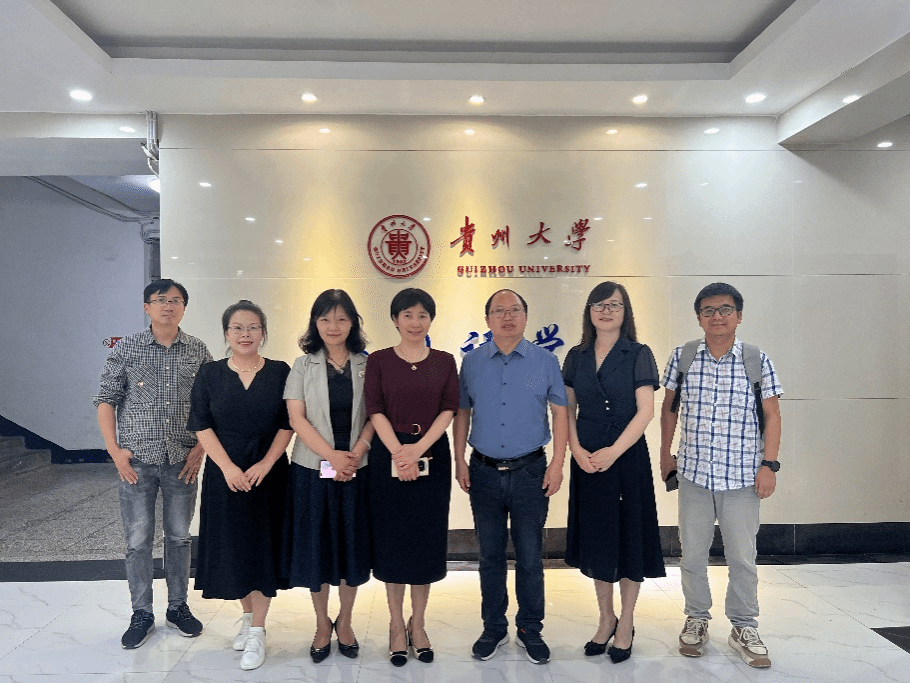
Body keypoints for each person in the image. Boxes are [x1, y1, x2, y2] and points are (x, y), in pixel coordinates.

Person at [659, 282, 782, 669]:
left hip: (743, 477)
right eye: (708, 310)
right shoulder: (683, 356)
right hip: (694, 475)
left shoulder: (756, 359)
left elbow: (772, 415)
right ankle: (696, 618)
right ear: (699, 317)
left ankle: (743, 626)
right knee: (692, 555)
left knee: (742, 558)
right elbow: (669, 410)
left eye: (725, 309)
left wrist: (769, 465)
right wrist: (665, 454)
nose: (717, 316)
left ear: (739, 316)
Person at [93, 279, 212, 650]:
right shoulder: (127, 348)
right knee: (138, 540)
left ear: (184, 308)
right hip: (137, 462)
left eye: (175, 300)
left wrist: (201, 449)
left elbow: (211, 405)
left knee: (179, 537)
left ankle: (178, 607)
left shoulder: (197, 350)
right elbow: (105, 400)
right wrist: (114, 451)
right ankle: (141, 613)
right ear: (147, 307)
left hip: (182, 459)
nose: (168, 306)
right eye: (161, 300)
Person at [453, 288, 568, 665]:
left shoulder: (545, 360)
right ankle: (494, 627)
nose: (507, 317)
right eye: (499, 311)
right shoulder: (472, 362)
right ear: (487, 319)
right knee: (489, 556)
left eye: (515, 310)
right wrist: (459, 459)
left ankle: (530, 628)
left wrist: (557, 463)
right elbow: (462, 412)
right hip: (483, 471)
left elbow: (560, 413)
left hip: (530, 472)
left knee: (531, 556)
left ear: (526, 317)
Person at [562, 282, 665, 664]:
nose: (606, 311)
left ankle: (627, 622)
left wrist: (614, 452)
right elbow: (566, 410)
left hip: (626, 459)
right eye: (599, 304)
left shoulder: (638, 353)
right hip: (587, 459)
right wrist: (576, 449)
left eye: (614, 305)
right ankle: (606, 618)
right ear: (589, 311)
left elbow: (646, 410)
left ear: (625, 312)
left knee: (628, 538)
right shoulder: (576, 356)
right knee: (598, 540)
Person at [186, 300, 292, 671]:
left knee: (263, 547)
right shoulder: (210, 373)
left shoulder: (280, 371)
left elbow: (288, 423)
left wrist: (266, 463)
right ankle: (247, 617)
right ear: (226, 334)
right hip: (224, 473)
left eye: (252, 327)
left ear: (263, 332)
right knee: (235, 547)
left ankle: (259, 631)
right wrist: (228, 468)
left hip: (269, 472)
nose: (245, 334)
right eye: (237, 328)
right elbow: (201, 424)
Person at [364, 288, 459, 667]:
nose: (415, 322)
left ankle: (418, 624)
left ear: (431, 320)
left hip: (431, 453)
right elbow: (375, 409)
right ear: (395, 320)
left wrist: (417, 449)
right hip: (388, 455)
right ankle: (394, 624)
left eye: (422, 315)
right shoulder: (379, 360)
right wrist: (398, 451)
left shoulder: (444, 361)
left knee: (424, 541)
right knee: (393, 541)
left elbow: (449, 408)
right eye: (408, 315)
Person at [282, 289, 375, 663]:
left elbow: (375, 415)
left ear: (352, 323)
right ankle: (322, 624)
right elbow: (296, 419)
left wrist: (357, 452)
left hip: (356, 469)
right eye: (325, 319)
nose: (333, 326)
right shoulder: (302, 365)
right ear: (315, 324)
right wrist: (332, 456)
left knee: (352, 548)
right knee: (316, 550)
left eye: (341, 318)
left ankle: (346, 621)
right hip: (311, 470)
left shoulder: (368, 364)